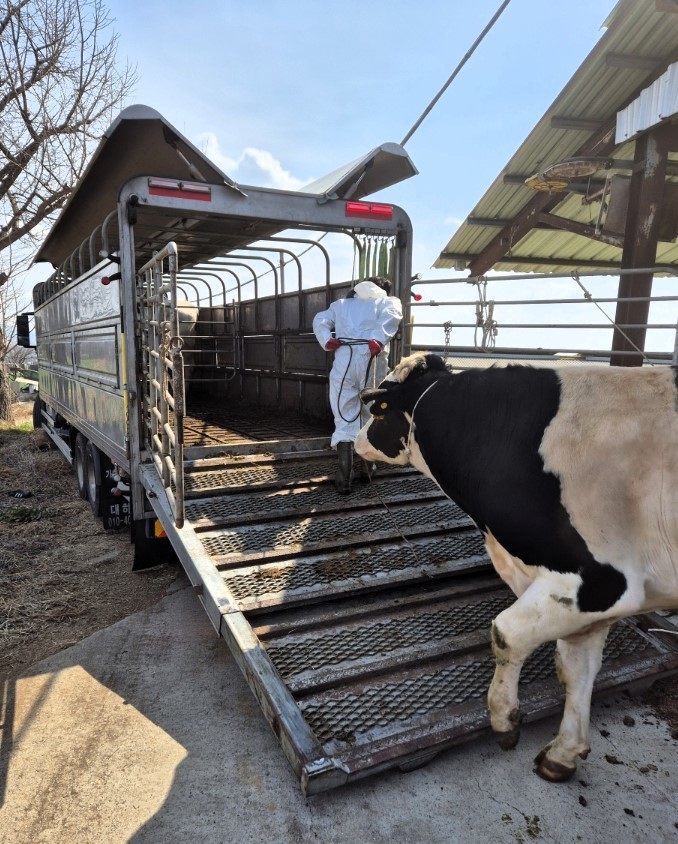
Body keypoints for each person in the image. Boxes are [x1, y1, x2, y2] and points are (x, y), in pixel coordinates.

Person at [313, 276, 403, 493]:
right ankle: (368, 469)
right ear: (384, 289)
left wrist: (326, 339)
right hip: (373, 362)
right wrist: (378, 339)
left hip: (345, 362)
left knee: (344, 416)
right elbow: (391, 317)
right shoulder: (389, 302)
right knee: (371, 415)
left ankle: (344, 476)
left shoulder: (341, 304)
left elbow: (320, 319)